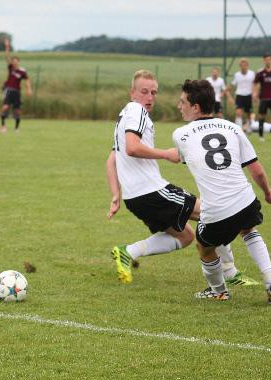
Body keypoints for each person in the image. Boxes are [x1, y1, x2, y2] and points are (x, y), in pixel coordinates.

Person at [106, 70, 254, 286]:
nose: (150, 97)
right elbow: (132, 148)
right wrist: (166, 154)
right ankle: (230, 274)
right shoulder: (137, 111)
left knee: (185, 236)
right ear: (133, 92)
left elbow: (111, 159)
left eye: (154, 92)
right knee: (214, 212)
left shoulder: (125, 116)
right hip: (152, 191)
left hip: (135, 197)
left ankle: (128, 252)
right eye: (144, 91)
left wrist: (115, 195)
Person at [173, 79, 271, 304]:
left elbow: (192, 161)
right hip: (246, 200)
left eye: (183, 102)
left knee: (204, 247)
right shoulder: (232, 127)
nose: (179, 106)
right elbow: (256, 169)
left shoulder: (180, 134)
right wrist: (268, 191)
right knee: (249, 229)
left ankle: (219, 291)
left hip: (216, 211)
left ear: (196, 107)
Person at [0, 38, 32, 133]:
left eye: (15, 61)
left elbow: (27, 80)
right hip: (8, 90)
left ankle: (16, 128)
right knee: (5, 107)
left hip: (17, 92)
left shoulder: (22, 71)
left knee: (17, 111)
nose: (14, 62)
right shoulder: (11, 68)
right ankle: (3, 126)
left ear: (18, 61)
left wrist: (29, 89)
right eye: (13, 61)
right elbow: (7, 56)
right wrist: (7, 47)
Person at [228, 58, 255, 131]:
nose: (243, 67)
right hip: (239, 95)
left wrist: (254, 93)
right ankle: (239, 130)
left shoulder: (252, 74)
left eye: (245, 65)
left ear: (247, 65)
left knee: (248, 113)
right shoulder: (237, 75)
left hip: (249, 95)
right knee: (238, 113)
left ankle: (248, 129)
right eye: (242, 65)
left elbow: (254, 84)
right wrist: (229, 96)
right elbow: (232, 85)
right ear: (240, 66)